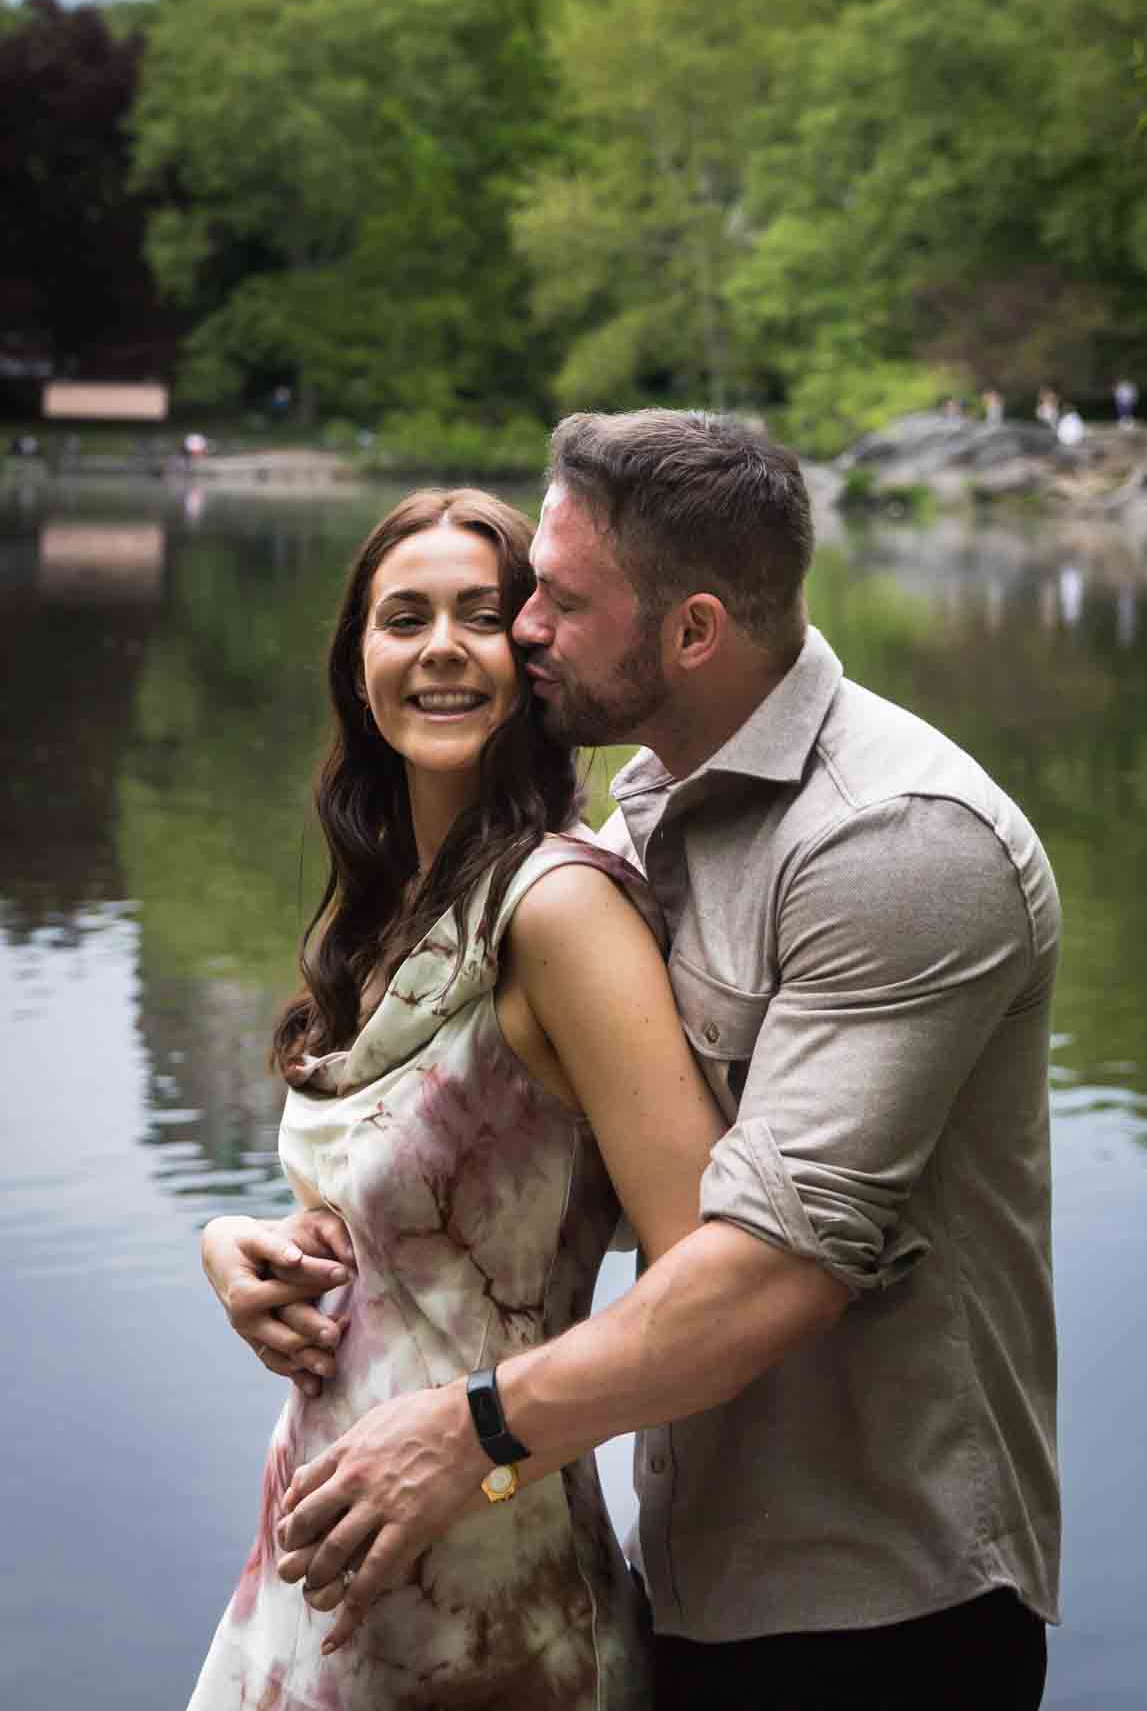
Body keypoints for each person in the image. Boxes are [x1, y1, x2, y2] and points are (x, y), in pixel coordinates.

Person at [275, 414, 1062, 1711]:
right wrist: (281, 1249)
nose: (522, 632)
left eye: (556, 603)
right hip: (690, 1577)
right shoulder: (647, 812)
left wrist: (469, 1434)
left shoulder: (897, 845)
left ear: (693, 633)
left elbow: (769, 1275)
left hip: (887, 1608)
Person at [189, 487, 724, 1709]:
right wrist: (236, 1248)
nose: (440, 648)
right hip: (329, 1564)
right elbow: (401, 1215)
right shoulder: (387, 904)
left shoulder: (561, 911)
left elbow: (702, 1275)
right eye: (404, 617)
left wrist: (482, 1445)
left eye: (483, 617)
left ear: (534, 655)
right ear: (357, 662)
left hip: (493, 1594)